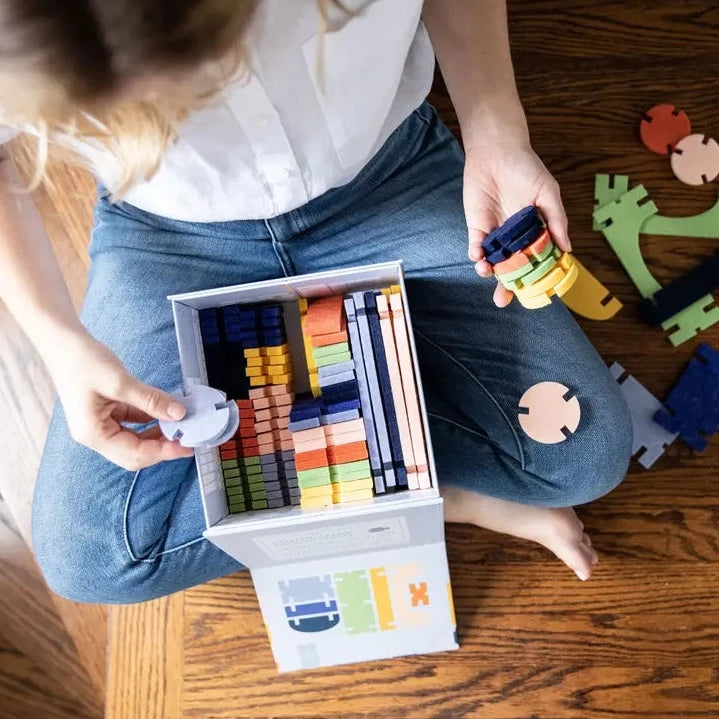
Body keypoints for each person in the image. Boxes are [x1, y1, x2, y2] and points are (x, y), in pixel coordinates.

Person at [0, 0, 631, 603]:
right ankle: (429, 491)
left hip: (387, 176)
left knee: (585, 454)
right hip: (169, 234)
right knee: (89, 558)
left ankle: (390, 474)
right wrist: (58, 340)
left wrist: (499, 133)